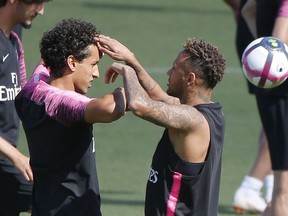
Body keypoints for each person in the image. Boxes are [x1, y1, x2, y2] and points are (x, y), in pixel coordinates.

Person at [97, 35, 226, 215]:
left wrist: (129, 73)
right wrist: (130, 58)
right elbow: (158, 96)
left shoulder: (193, 120)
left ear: (190, 79)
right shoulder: (209, 113)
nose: (168, 73)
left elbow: (140, 106)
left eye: (174, 69)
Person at [14, 18, 126, 216]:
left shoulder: (31, 91)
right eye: (93, 64)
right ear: (72, 62)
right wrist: (129, 66)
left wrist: (79, 40)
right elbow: (111, 109)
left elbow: (45, 61)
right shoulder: (63, 105)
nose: (96, 73)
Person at [0, 0, 51, 215]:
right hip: (6, 161)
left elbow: (20, 98)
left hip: (6, 158)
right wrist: (17, 157)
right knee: (55, 198)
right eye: (37, 2)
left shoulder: (12, 39)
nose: (41, 10)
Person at [224, 0, 274, 213]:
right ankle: (251, 186)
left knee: (275, 117)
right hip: (271, 51)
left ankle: (275, 187)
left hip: (257, 42)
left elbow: (244, 9)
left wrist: (239, 11)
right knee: (281, 120)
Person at [252, 0, 288, 215]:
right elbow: (278, 42)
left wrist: (252, 50)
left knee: (280, 192)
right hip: (283, 94)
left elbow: (246, 11)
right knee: (283, 192)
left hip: (270, 91)